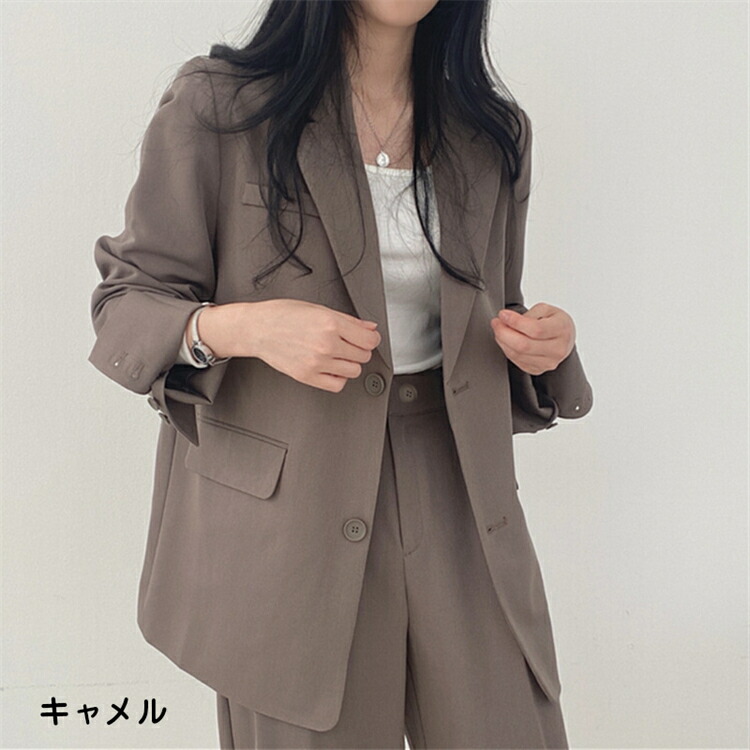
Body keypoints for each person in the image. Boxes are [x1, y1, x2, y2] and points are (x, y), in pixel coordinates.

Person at [87, 1, 594, 747]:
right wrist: (248, 327)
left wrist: (545, 345)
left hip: (459, 492)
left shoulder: (491, 132)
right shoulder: (220, 106)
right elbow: (126, 305)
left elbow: (492, 309)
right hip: (289, 509)